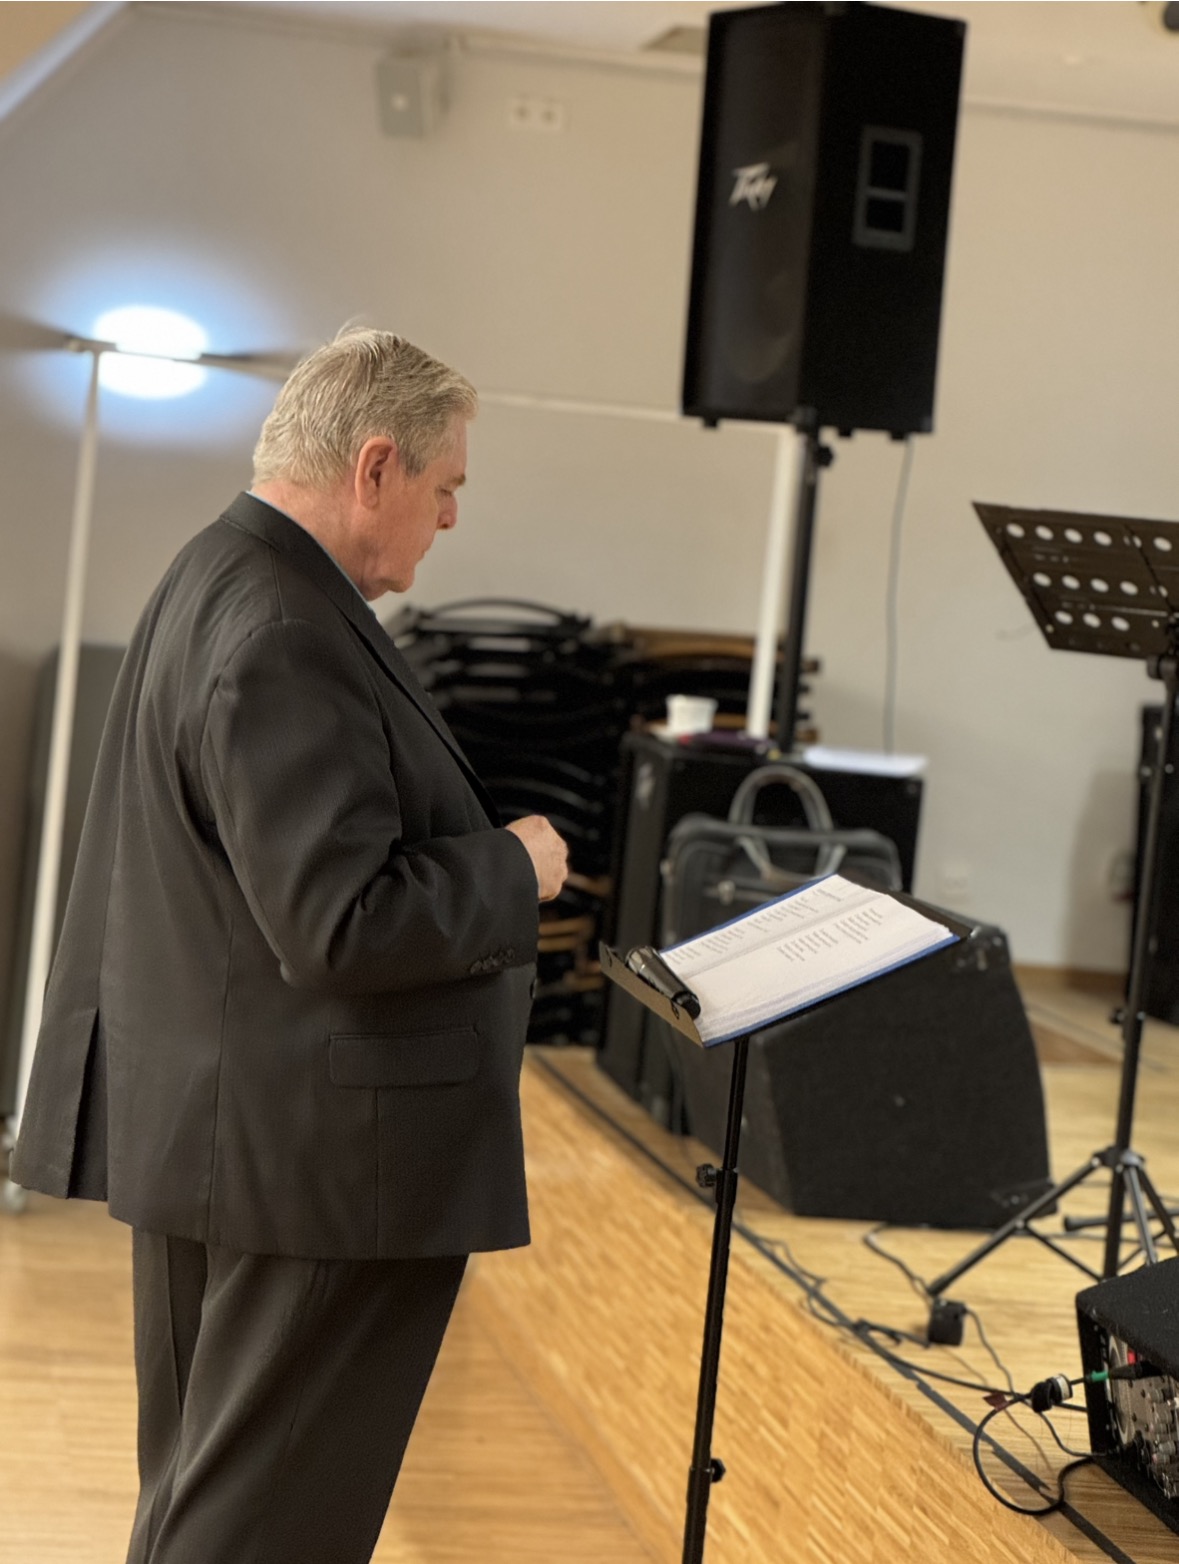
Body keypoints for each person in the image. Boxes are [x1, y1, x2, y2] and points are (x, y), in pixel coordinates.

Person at [12, 327, 569, 1564]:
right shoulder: (285, 625)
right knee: (261, 1532)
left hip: (235, 1137)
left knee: (203, 1512)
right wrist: (511, 866)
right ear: (374, 468)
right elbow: (339, 921)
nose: (451, 517)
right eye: (446, 486)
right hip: (318, 1169)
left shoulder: (217, 573)